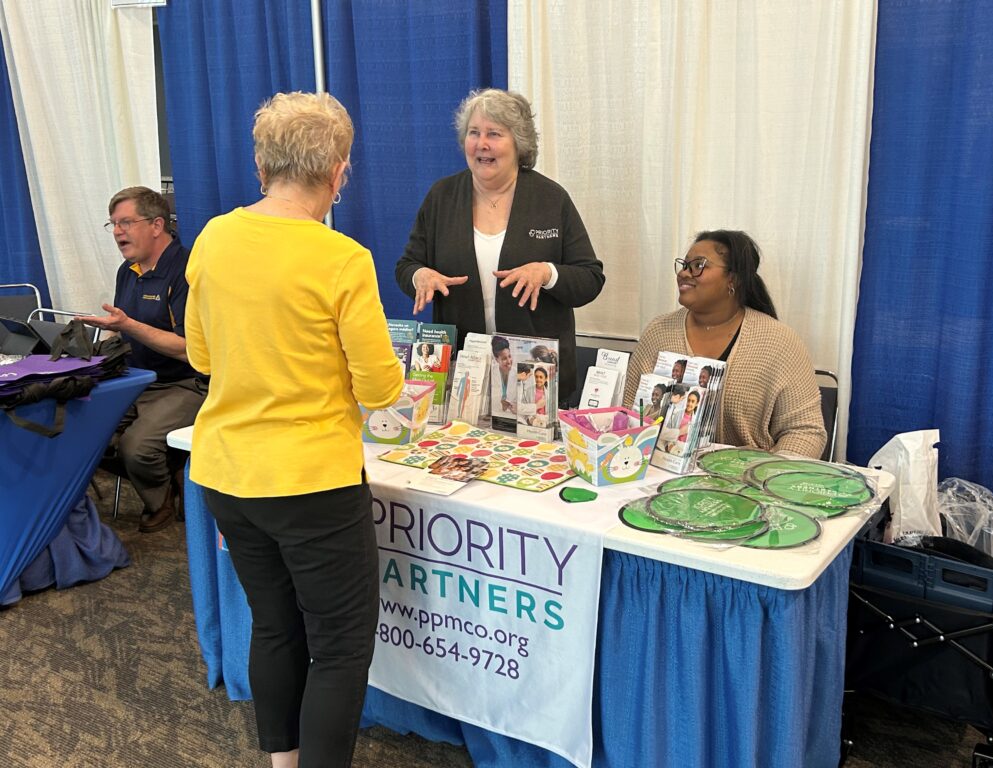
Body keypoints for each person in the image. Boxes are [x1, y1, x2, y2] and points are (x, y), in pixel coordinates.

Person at [183, 92, 404, 768]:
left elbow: (201, 357)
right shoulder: (340, 259)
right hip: (311, 482)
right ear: (339, 171)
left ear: (261, 165)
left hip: (225, 472)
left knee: (275, 624)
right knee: (339, 644)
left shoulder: (215, 237)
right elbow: (380, 388)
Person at [394, 88, 605, 404]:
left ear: (519, 143)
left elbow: (590, 279)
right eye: (474, 133)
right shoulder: (442, 197)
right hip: (464, 377)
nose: (482, 144)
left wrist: (547, 273)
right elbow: (406, 266)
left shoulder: (551, 199)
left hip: (538, 378)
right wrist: (419, 276)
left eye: (494, 134)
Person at [623, 230, 826, 458]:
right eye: (684, 265)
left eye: (698, 265)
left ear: (734, 278)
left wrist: (768, 475)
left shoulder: (779, 341)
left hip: (747, 484)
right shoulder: (658, 332)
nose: (684, 273)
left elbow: (805, 431)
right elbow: (630, 411)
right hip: (660, 476)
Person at [81, 186, 206, 533]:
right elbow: (123, 329)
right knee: (87, 432)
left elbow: (189, 348)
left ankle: (160, 498)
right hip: (136, 377)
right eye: (113, 225)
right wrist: (99, 345)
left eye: (125, 222)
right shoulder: (129, 270)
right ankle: (171, 471)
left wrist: (127, 326)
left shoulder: (188, 270)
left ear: (156, 225)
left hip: (185, 382)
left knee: (137, 447)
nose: (118, 232)